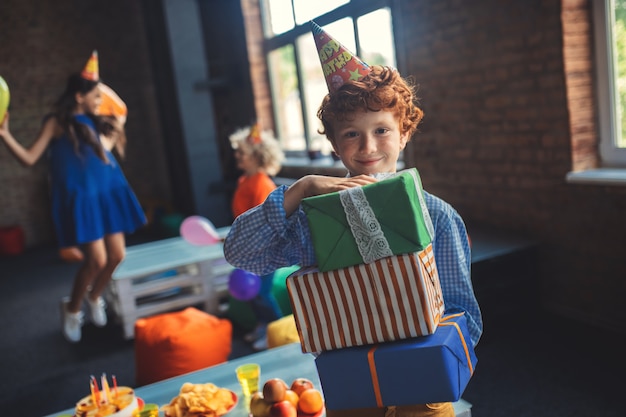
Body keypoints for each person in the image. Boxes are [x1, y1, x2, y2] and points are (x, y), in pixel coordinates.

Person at [224, 23, 482, 417]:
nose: (368, 147)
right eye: (350, 134)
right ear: (333, 142)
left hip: (424, 383)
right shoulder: (313, 216)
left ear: (405, 133)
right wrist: (301, 188)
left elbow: (464, 310)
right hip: (352, 383)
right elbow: (240, 253)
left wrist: (439, 357)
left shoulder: (437, 215)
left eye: (382, 130)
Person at [0, 51, 147, 343]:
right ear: (79, 96)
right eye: (94, 96)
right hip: (83, 198)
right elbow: (30, 158)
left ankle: (94, 297)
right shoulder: (56, 122)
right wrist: (4, 135)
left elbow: (120, 109)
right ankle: (72, 308)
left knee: (117, 256)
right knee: (95, 260)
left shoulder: (100, 124)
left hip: (107, 193)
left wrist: (98, 84)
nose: (98, 101)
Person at [229, 123, 285, 350]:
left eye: (242, 153)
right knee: (251, 294)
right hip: (249, 247)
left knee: (261, 292)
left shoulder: (262, 184)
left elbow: (266, 221)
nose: (237, 156)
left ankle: (279, 329)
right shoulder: (244, 181)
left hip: (265, 248)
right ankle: (263, 325)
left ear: (256, 157)